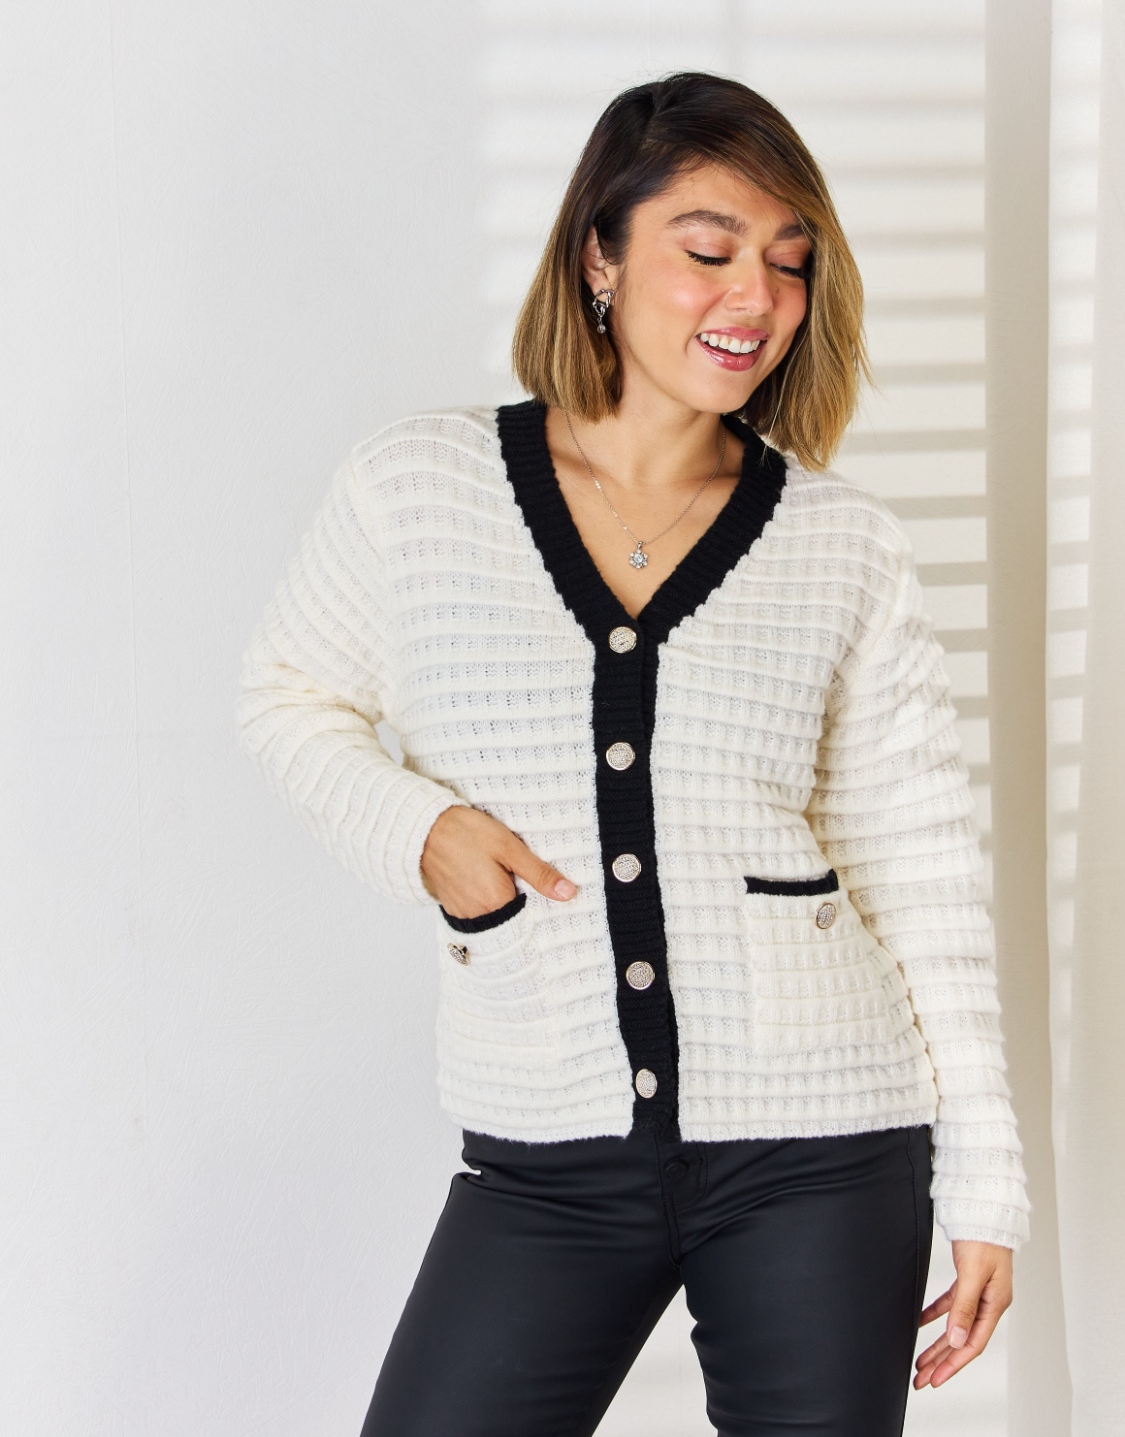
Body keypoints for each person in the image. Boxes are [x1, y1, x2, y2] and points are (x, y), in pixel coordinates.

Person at [235, 71, 1031, 1437]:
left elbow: (921, 877)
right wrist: (423, 835)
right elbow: (288, 698)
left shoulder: (839, 544)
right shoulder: (418, 488)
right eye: (708, 250)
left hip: (824, 1148)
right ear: (598, 257)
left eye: (789, 262)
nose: (755, 297)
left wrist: (986, 1186)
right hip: (545, 1148)